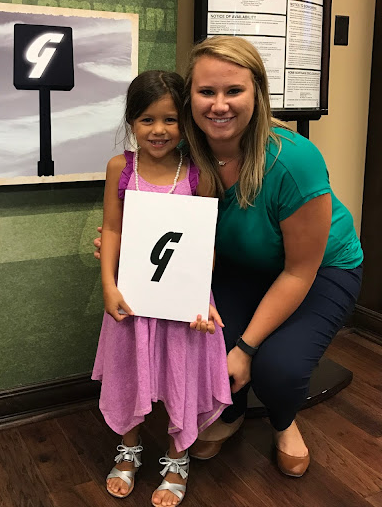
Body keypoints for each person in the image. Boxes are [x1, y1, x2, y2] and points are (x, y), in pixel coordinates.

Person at [95, 37, 363, 479]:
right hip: (240, 265)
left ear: (257, 93)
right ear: (190, 100)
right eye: (206, 92)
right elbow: (156, 222)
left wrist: (247, 348)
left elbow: (299, 270)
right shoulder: (186, 155)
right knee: (205, 339)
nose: (219, 105)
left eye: (233, 90)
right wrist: (127, 247)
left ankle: (283, 420)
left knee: (277, 368)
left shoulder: (294, 160)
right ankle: (231, 411)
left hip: (316, 271)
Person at [92, 70, 232, 505]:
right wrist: (108, 285)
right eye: (147, 119)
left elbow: (204, 244)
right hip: (132, 299)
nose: (159, 130)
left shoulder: (197, 174)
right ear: (131, 121)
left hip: (183, 302)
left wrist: (200, 297)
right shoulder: (121, 168)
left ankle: (177, 457)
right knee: (128, 373)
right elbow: (112, 230)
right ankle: (129, 449)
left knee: (181, 376)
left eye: (170, 119)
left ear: (184, 122)